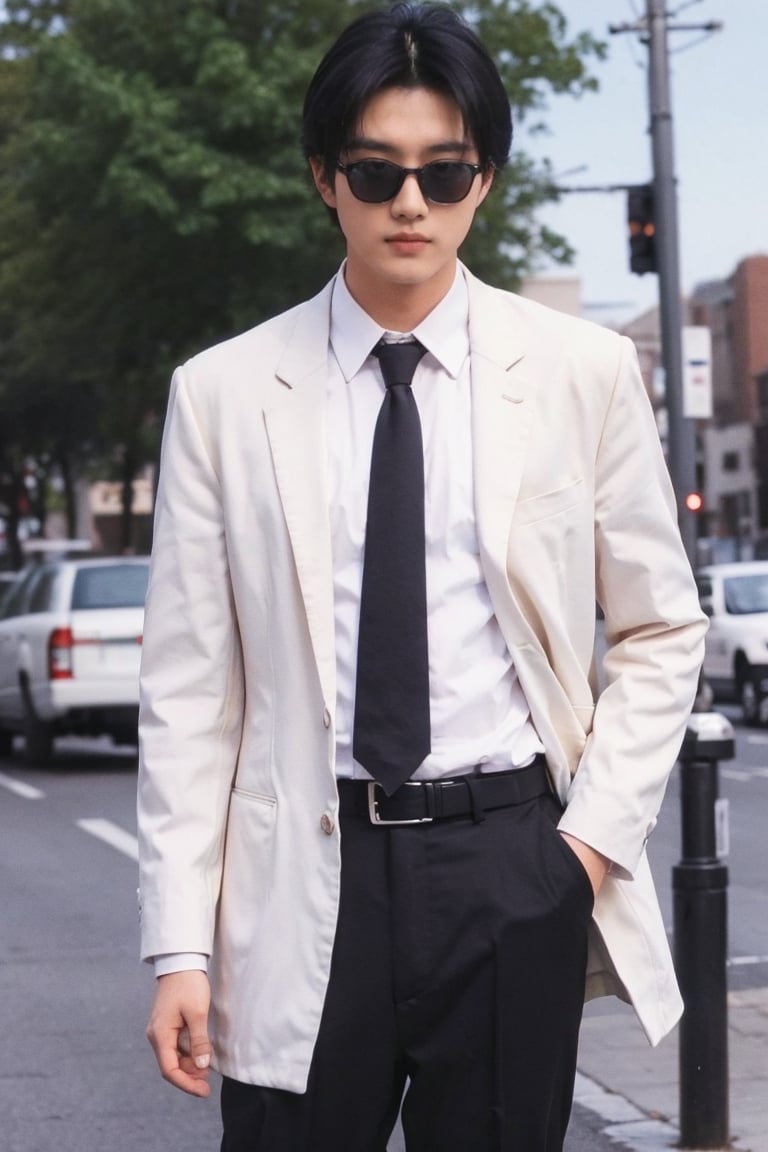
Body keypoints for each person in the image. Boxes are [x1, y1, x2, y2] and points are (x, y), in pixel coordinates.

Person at [136, 4, 707, 1149]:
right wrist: (179, 948)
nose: (411, 203)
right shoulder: (225, 394)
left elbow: (660, 628)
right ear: (323, 177)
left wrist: (580, 853)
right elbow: (192, 692)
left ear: (482, 181)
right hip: (302, 871)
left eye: (444, 173)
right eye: (376, 170)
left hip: (509, 868)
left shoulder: (580, 373)